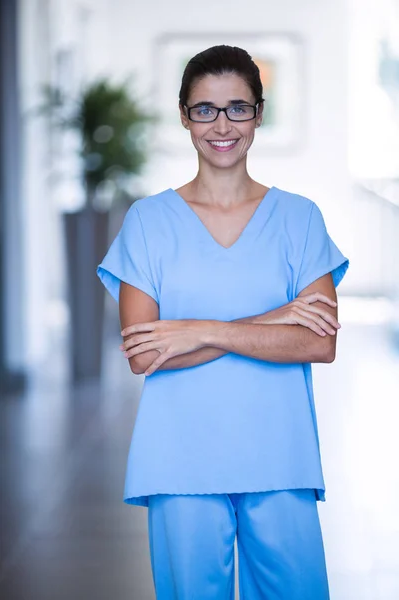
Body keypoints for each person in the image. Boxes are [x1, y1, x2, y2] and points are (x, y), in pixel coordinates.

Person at [97, 45, 349, 600]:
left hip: (280, 457)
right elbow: (144, 354)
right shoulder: (147, 222)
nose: (222, 125)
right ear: (184, 115)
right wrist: (273, 320)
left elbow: (318, 343)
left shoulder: (299, 218)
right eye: (205, 109)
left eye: (238, 108)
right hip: (178, 460)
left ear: (259, 113)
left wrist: (200, 330)